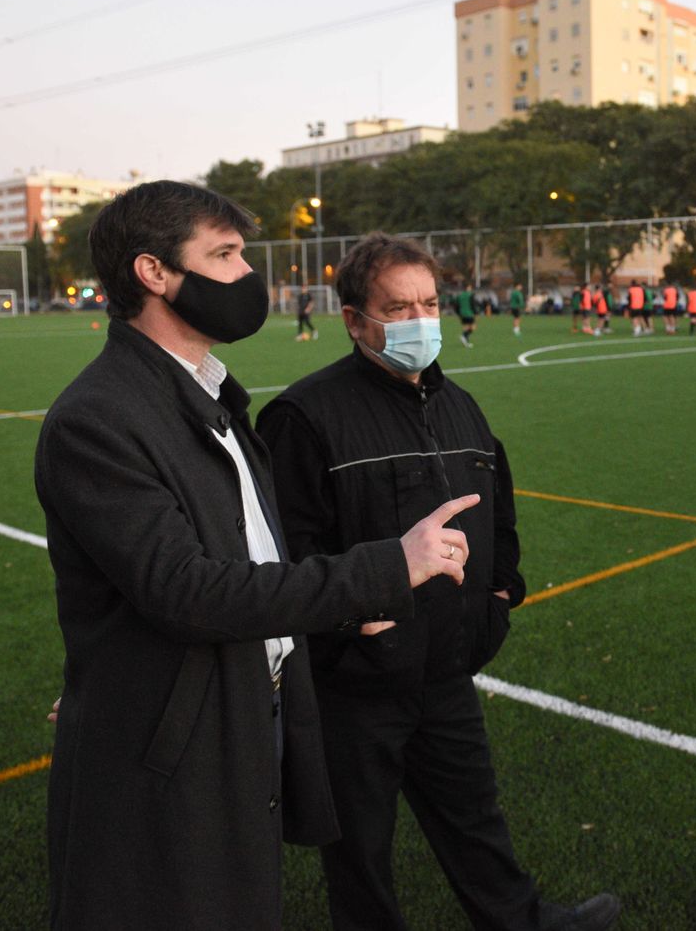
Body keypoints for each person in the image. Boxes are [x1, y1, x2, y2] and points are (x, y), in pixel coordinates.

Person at [34, 181, 473, 930]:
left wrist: (340, 614)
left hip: (243, 705)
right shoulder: (99, 417)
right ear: (154, 273)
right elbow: (187, 591)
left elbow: (255, 561)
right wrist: (384, 569)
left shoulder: (208, 396)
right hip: (179, 737)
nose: (247, 277)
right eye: (226, 255)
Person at [257, 233, 620, 931]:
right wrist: (342, 624)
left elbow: (497, 511)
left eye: (429, 302)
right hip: (354, 684)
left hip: (446, 666)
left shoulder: (460, 405)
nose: (421, 320)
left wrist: (499, 592)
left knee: (474, 818)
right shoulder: (305, 416)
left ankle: (526, 923)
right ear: (356, 320)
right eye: (398, 307)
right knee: (359, 851)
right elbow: (282, 550)